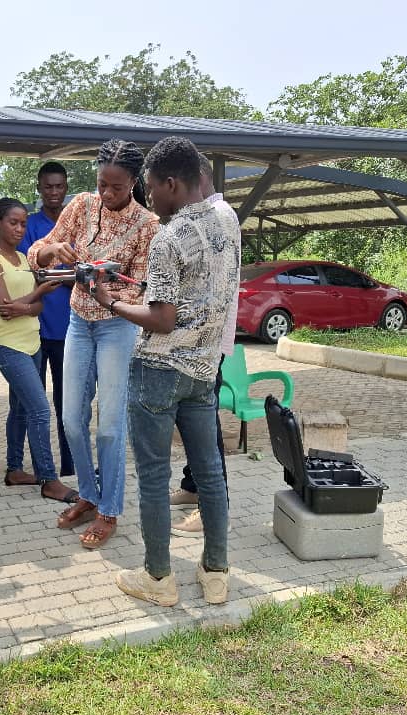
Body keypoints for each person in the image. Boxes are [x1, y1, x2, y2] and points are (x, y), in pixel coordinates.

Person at [95, 136, 239, 607]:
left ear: (172, 184)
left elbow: (162, 318)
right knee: (210, 473)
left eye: (151, 189)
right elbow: (202, 291)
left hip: (158, 371)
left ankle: (159, 578)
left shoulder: (167, 237)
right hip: (203, 370)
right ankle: (215, 573)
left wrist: (110, 301)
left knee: (154, 477)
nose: (148, 198)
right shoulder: (228, 221)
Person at [28, 140, 159, 550]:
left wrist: (109, 290)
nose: (106, 193)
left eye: (116, 187)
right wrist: (51, 250)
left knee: (110, 426)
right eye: (101, 183)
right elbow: (36, 255)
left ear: (133, 183)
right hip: (78, 322)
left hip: (116, 327)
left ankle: (109, 509)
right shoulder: (81, 206)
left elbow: (143, 290)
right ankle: (88, 492)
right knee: (70, 419)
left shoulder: (148, 225)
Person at [0, 198, 78, 503]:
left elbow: (34, 309)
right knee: (39, 409)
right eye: (13, 222)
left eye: (23, 223)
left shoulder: (24, 258)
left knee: (21, 409)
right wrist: (34, 295)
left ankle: (14, 470)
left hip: (31, 342)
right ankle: (48, 479)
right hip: (8, 346)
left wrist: (27, 303)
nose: (20, 228)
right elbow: (4, 308)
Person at [170, 152, 243, 537]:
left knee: (204, 426)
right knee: (194, 420)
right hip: (203, 342)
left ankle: (216, 506)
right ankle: (192, 485)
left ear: (197, 178)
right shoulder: (214, 215)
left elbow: (209, 286)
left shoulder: (219, 216)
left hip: (207, 343)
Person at [17, 162, 74, 477]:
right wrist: (65, 276)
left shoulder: (75, 224)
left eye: (59, 186)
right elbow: (31, 272)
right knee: (33, 406)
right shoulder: (30, 225)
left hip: (70, 332)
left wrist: (55, 275)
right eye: (48, 186)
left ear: (66, 187)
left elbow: (84, 272)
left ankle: (70, 468)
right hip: (35, 331)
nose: (54, 192)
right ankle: (43, 470)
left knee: (69, 405)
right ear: (39, 188)